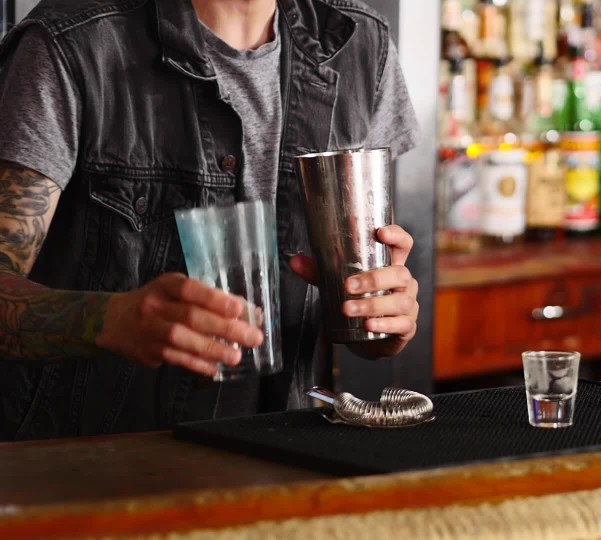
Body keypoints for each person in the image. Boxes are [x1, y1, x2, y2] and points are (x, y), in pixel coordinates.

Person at [0, 0, 421, 440]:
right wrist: (110, 318)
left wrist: (380, 318)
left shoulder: (360, 43)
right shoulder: (72, 43)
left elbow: (373, 291)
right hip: (98, 461)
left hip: (284, 452)